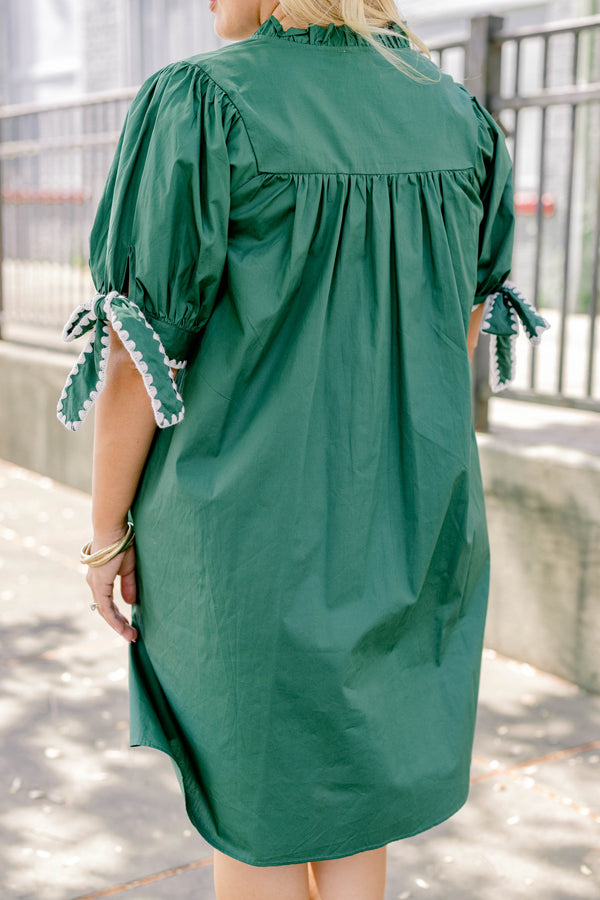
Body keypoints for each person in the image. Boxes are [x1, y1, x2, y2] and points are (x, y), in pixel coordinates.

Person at [56, 1, 550, 898]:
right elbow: (465, 320)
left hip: (246, 533)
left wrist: (105, 534)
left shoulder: (204, 103)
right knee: (354, 797)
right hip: (409, 521)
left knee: (258, 818)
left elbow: (138, 354)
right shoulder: (456, 114)